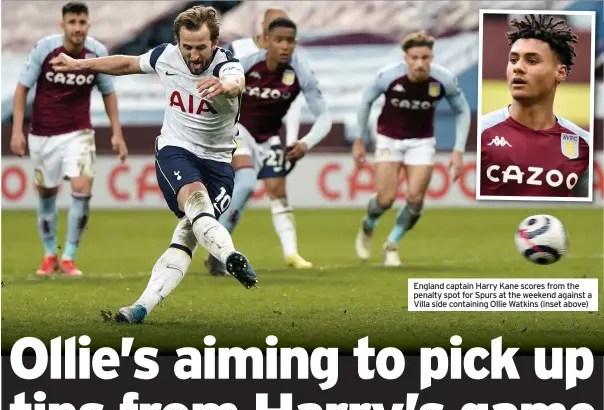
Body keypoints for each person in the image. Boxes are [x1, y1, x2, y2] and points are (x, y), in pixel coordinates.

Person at [50, 5, 258, 323]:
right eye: (187, 47)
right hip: (176, 151)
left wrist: (224, 86)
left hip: (218, 164)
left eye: (201, 47)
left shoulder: (227, 65)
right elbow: (127, 63)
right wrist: (81, 64)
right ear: (178, 43)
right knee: (196, 200)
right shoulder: (167, 56)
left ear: (214, 43)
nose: (194, 55)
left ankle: (140, 308)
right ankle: (231, 257)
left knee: (189, 232)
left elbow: (236, 82)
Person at [206, 16, 332, 275]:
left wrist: (306, 143)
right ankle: (218, 250)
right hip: (237, 129)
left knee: (278, 190)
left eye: (290, 41)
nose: (285, 46)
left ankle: (291, 253)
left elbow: (324, 117)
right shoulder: (248, 65)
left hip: (269, 137)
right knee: (248, 183)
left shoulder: (301, 70)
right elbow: (217, 92)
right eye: (279, 40)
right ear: (267, 41)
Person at [10, 1, 128, 277]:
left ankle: (69, 257)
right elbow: (22, 89)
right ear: (62, 25)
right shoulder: (44, 48)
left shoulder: (96, 53)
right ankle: (50, 254)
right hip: (43, 133)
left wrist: (117, 134)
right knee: (47, 193)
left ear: (89, 24)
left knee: (83, 188)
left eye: (82, 22)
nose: (77, 28)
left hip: (79, 132)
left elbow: (108, 92)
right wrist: (17, 130)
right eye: (72, 22)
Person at [352, 31, 471, 267]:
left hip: (422, 141)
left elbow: (462, 110)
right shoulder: (388, 77)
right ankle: (368, 224)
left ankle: (393, 243)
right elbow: (366, 101)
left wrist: (458, 150)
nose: (420, 63)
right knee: (385, 199)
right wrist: (359, 139)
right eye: (415, 57)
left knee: (416, 199)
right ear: (405, 57)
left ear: (431, 57)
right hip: (388, 138)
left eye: (425, 57)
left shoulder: (443, 79)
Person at [480, 14, 590, 199]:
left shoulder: (584, 143)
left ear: (560, 72)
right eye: (514, 60)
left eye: (532, 61)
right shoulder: (482, 132)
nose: (518, 68)